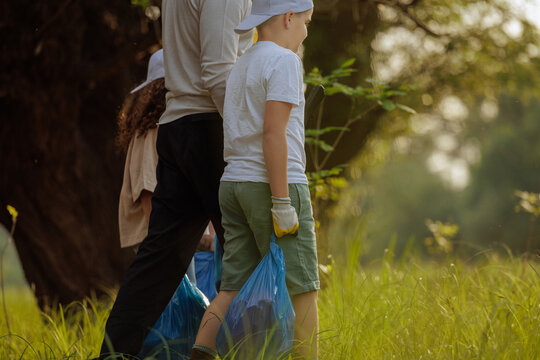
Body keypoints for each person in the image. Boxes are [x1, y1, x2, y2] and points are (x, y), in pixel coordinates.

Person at [96, 0, 254, 357]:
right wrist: (251, 132)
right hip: (211, 124)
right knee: (251, 249)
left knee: (159, 261)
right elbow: (217, 71)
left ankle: (113, 355)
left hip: (179, 124)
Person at [190, 1, 319, 359]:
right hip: (273, 186)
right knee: (302, 288)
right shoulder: (285, 60)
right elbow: (272, 134)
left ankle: (201, 351)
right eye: (306, 22)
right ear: (289, 17)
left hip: (233, 185)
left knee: (233, 285)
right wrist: (282, 203)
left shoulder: (241, 64)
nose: (306, 31)